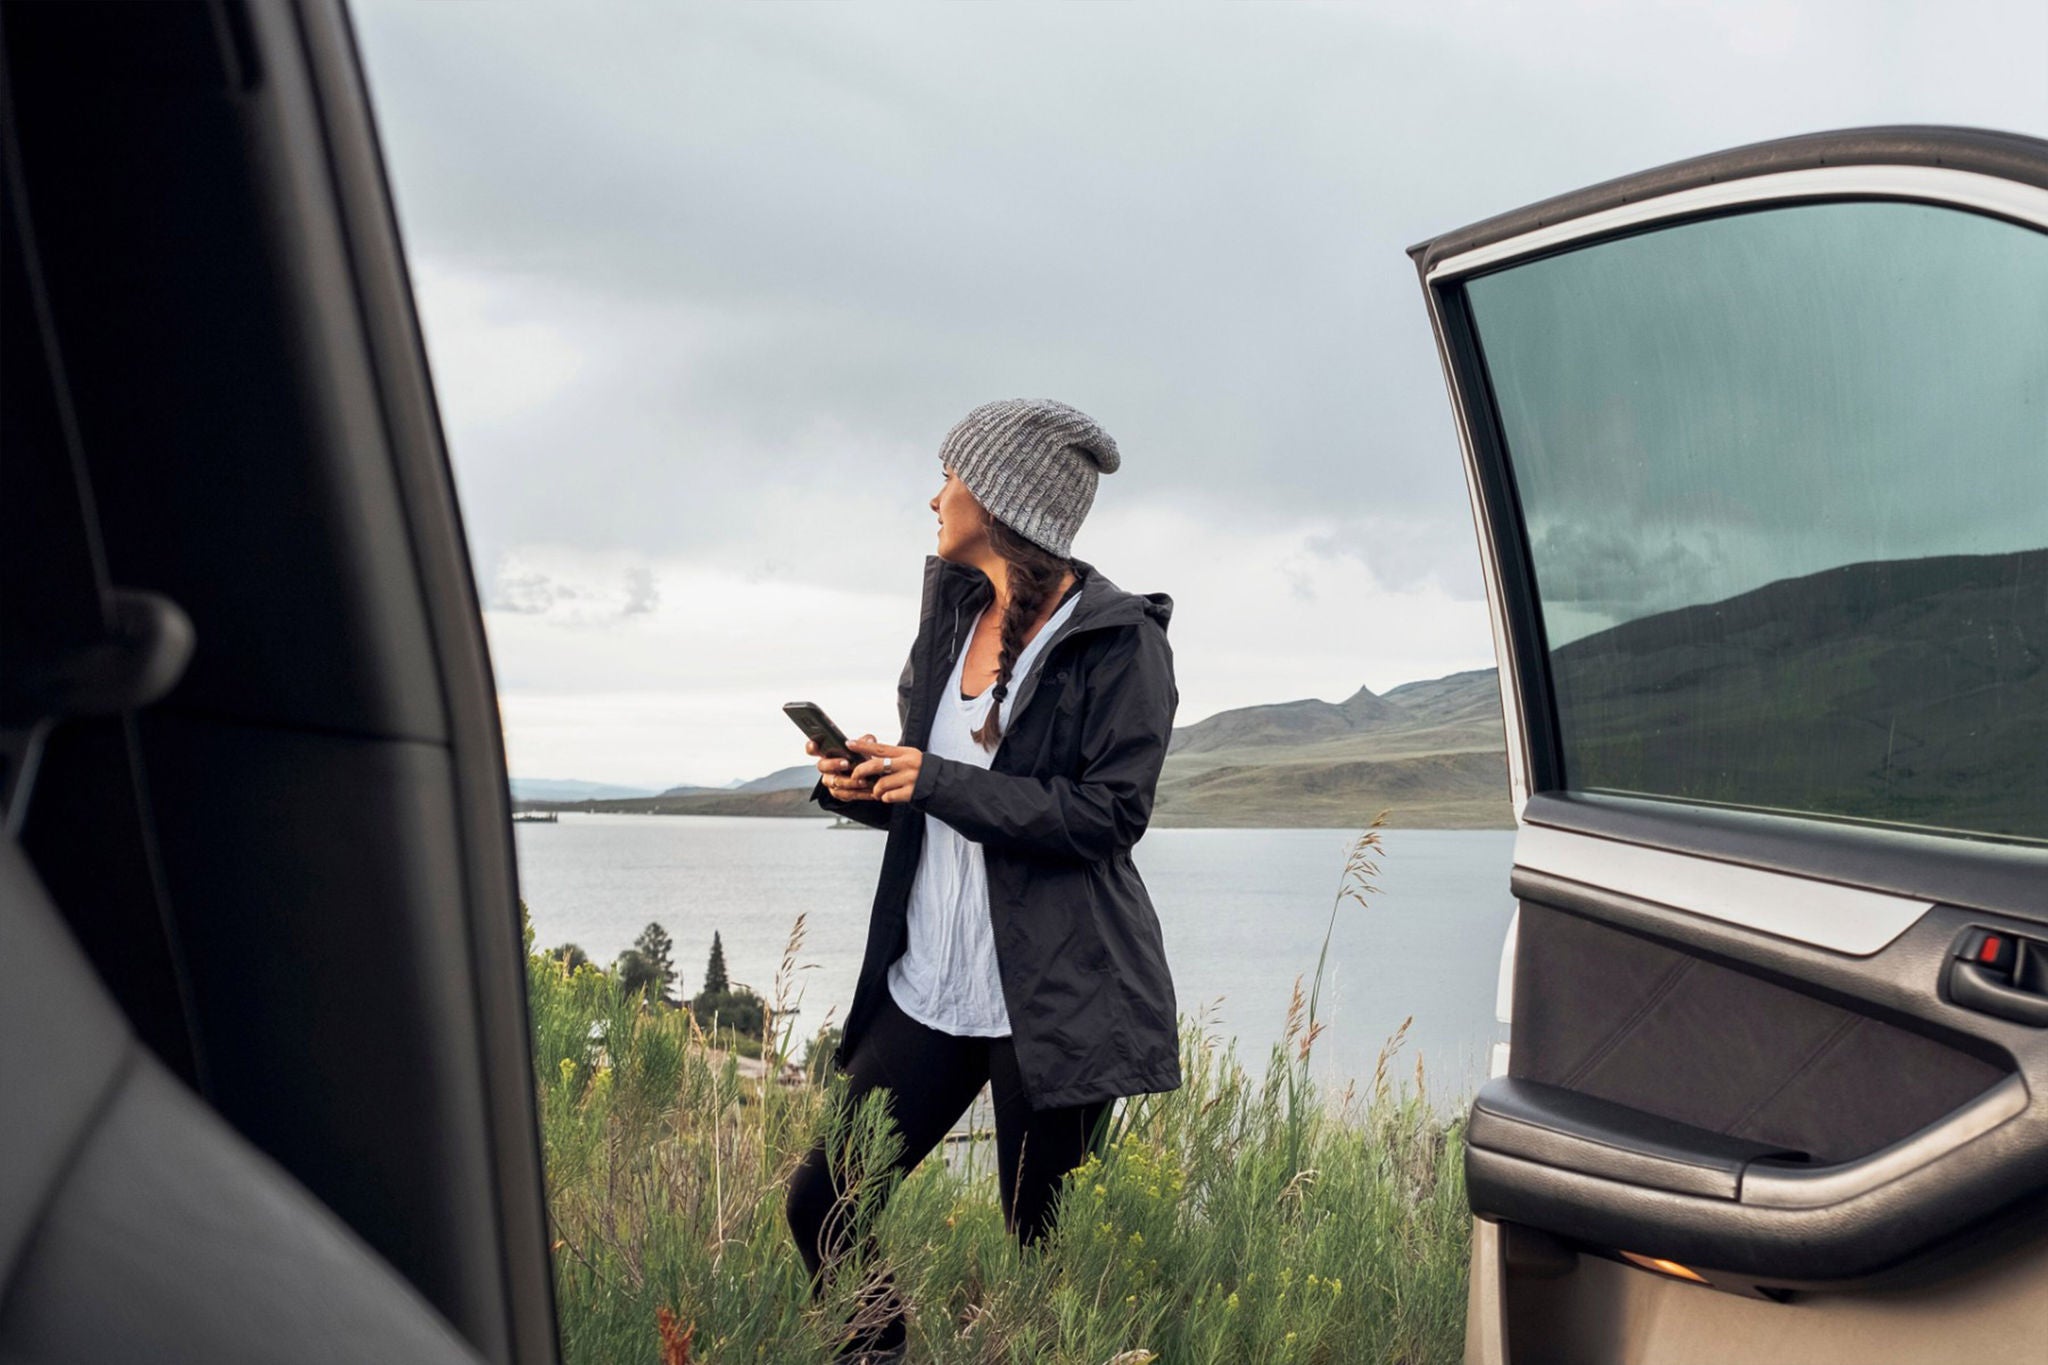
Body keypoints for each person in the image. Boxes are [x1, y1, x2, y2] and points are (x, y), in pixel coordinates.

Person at [783, 397, 1183, 1363]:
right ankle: (876, 1350)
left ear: (1000, 501)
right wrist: (866, 783)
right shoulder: (954, 611)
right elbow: (936, 796)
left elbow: (1109, 815)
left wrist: (942, 781)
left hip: (1052, 1003)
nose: (934, 495)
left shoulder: (1120, 642)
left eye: (949, 476)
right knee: (823, 1205)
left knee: (1043, 1269)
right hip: (930, 987)